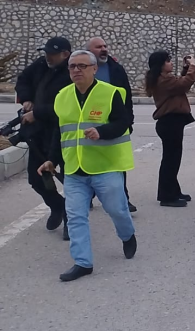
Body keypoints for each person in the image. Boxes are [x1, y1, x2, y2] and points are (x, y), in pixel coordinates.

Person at [37, 50, 136, 282]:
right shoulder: (62, 96)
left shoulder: (110, 93)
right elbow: (59, 132)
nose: (76, 70)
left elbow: (124, 122)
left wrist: (101, 132)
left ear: (94, 69)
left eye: (82, 66)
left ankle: (127, 235)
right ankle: (83, 262)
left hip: (106, 166)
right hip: (74, 169)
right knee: (75, 216)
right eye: (72, 66)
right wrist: (52, 159)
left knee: (117, 210)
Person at [15, 37, 72, 240]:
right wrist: (27, 98)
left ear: (65, 54)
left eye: (52, 53)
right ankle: (58, 206)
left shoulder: (72, 72)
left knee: (70, 181)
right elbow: (23, 80)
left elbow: (67, 108)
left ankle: (71, 221)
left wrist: (37, 112)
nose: (48, 56)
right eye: (46, 52)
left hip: (63, 134)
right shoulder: (41, 65)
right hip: (39, 134)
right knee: (37, 177)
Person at [87, 37, 137, 212]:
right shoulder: (81, 70)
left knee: (118, 163)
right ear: (89, 51)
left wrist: (128, 121)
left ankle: (124, 199)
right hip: (89, 125)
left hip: (115, 124)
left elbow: (127, 97)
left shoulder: (116, 69)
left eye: (105, 46)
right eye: (99, 47)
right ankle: (87, 197)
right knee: (89, 162)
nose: (104, 49)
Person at [145, 51, 195, 207]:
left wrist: (185, 69)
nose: (171, 63)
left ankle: (173, 190)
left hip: (171, 123)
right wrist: (193, 66)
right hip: (169, 123)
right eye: (168, 61)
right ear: (161, 65)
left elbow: (179, 84)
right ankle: (167, 196)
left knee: (173, 160)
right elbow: (183, 84)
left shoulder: (164, 79)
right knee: (170, 161)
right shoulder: (162, 80)